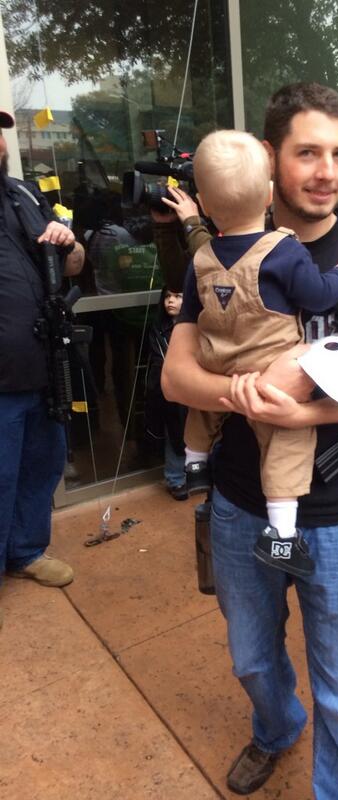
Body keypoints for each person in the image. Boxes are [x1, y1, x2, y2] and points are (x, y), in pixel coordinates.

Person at [163, 82, 338, 798]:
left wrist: (303, 416)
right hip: (239, 502)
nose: (327, 171)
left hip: (336, 511)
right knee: (251, 658)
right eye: (308, 153)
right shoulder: (220, 254)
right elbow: (176, 377)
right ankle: (277, 727)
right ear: (269, 157)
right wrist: (247, 393)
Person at [182, 129, 338, 577]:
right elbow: (318, 295)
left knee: (203, 407)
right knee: (286, 440)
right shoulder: (283, 250)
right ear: (268, 195)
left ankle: (194, 461)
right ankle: (282, 534)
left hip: (216, 361)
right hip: (269, 370)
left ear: (203, 204)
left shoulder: (201, 258)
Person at [0, 110, 85, 630]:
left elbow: (75, 264)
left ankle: (26, 551)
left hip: (43, 367)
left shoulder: (25, 195)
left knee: (42, 465)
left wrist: (69, 244)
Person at [144, 286, 188, 500]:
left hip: (194, 389)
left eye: (177, 296)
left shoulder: (195, 326)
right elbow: (162, 360)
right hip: (169, 390)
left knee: (196, 431)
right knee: (174, 432)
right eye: (168, 296)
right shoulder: (158, 327)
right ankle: (176, 478)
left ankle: (198, 474)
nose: (171, 301)